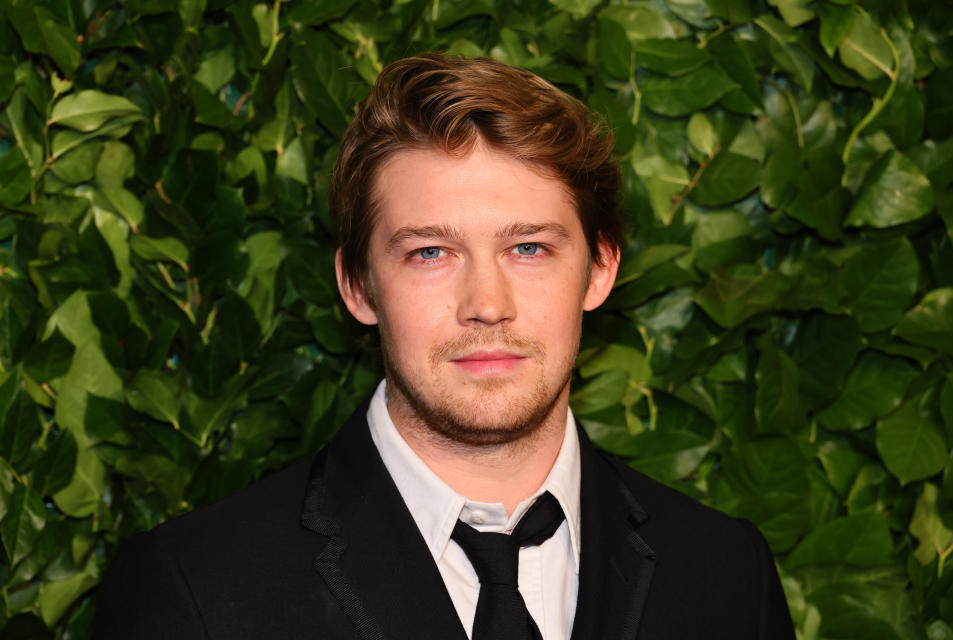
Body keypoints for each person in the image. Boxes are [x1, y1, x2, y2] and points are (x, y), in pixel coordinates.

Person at [95, 54, 794, 639]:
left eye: (528, 247)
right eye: (431, 252)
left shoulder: (727, 576)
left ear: (601, 268)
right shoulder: (196, 590)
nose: (486, 304)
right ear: (359, 287)